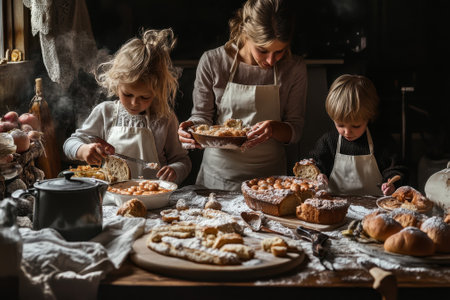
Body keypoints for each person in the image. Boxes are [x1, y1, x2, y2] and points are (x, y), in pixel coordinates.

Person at [178, 0, 307, 191]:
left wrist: (274, 128)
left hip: (269, 181)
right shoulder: (213, 62)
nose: (271, 60)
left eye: (279, 51)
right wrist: (190, 131)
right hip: (219, 176)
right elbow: (201, 117)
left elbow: (295, 130)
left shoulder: (294, 68)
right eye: (262, 50)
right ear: (245, 32)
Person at [63, 28, 191, 185]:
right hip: (112, 200)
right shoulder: (105, 112)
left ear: (156, 93)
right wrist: (82, 150)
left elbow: (182, 160)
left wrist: (175, 170)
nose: (134, 103)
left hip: (155, 198)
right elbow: (70, 144)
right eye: (128, 94)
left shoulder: (165, 118)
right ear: (117, 85)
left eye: (144, 97)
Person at [308, 74, 408, 196]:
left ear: (369, 118)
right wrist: (318, 175)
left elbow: (397, 170)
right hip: (335, 207)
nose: (347, 132)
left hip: (374, 208)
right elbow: (314, 165)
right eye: (340, 125)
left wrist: (392, 184)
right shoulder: (328, 142)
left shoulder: (382, 141)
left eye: (356, 126)